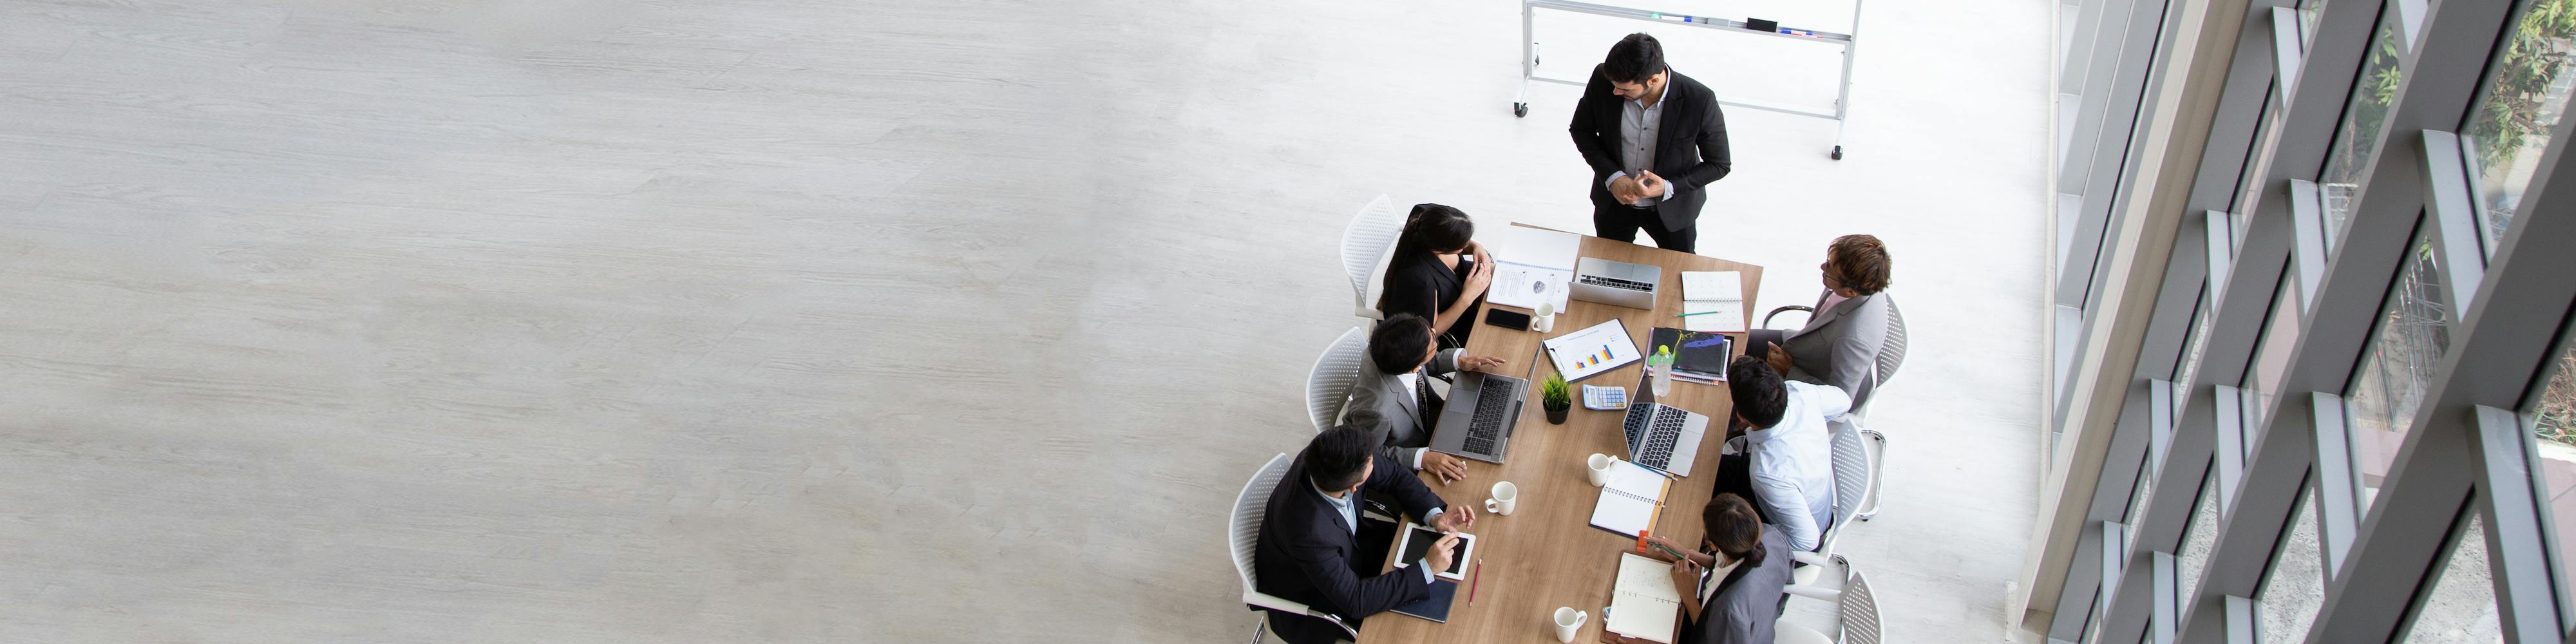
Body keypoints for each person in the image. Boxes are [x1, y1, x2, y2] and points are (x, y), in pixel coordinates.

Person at [1253, 422, 1477, 644]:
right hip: (1318, 599)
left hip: (1351, 546)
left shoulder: (1332, 452)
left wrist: (1435, 517)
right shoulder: (1309, 533)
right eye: (1371, 463)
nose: (1375, 460)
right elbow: (1356, 601)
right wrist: (1427, 567)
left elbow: (1394, 475)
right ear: (1354, 487)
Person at [1568, 33, 1733, 254]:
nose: (1615, 92)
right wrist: (1613, 177)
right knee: (1608, 266)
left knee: (1677, 271)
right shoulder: (1604, 79)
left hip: (1673, 211)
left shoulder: (1699, 100)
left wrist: (1668, 187)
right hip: (1614, 203)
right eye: (1615, 86)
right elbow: (1581, 130)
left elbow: (1719, 164)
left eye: (1625, 89)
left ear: (1653, 80)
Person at [1340, 314, 1505, 484]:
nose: (1435, 331)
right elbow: (1367, 455)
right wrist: (1422, 459)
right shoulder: (1376, 410)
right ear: (1413, 366)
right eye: (1433, 341)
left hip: (1432, 422)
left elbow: (1425, 363)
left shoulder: (1389, 350)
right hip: (1407, 457)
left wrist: (1460, 361)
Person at [1714, 356, 1847, 553]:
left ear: (1741, 416)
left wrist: (1753, 539)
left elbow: (1807, 541)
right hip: (1806, 502)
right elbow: (1844, 401)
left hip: (1793, 533)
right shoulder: (1800, 393)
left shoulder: (1767, 473)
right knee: (1705, 466)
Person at [1748, 234, 1893, 408]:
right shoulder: (1863, 280)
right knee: (1731, 341)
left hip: (1811, 380)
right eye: (1828, 261)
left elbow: (1841, 399)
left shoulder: (1853, 339)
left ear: (1850, 292)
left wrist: (1790, 370)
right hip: (1809, 348)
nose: (1823, 267)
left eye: (1830, 268)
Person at [1641, 493, 1795, 644]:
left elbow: (1711, 636)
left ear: (1713, 546)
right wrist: (1689, 554)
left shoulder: (1728, 610)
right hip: (1757, 618)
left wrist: (1688, 594)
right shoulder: (1767, 536)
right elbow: (1736, 564)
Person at [1378, 204, 1491, 350]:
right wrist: (1467, 298)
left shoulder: (1423, 218)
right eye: (1463, 244)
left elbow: (1463, 243)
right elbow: (1431, 332)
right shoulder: (1420, 282)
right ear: (1442, 249)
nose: (1466, 245)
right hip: (1453, 327)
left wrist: (1477, 247)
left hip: (1462, 287)